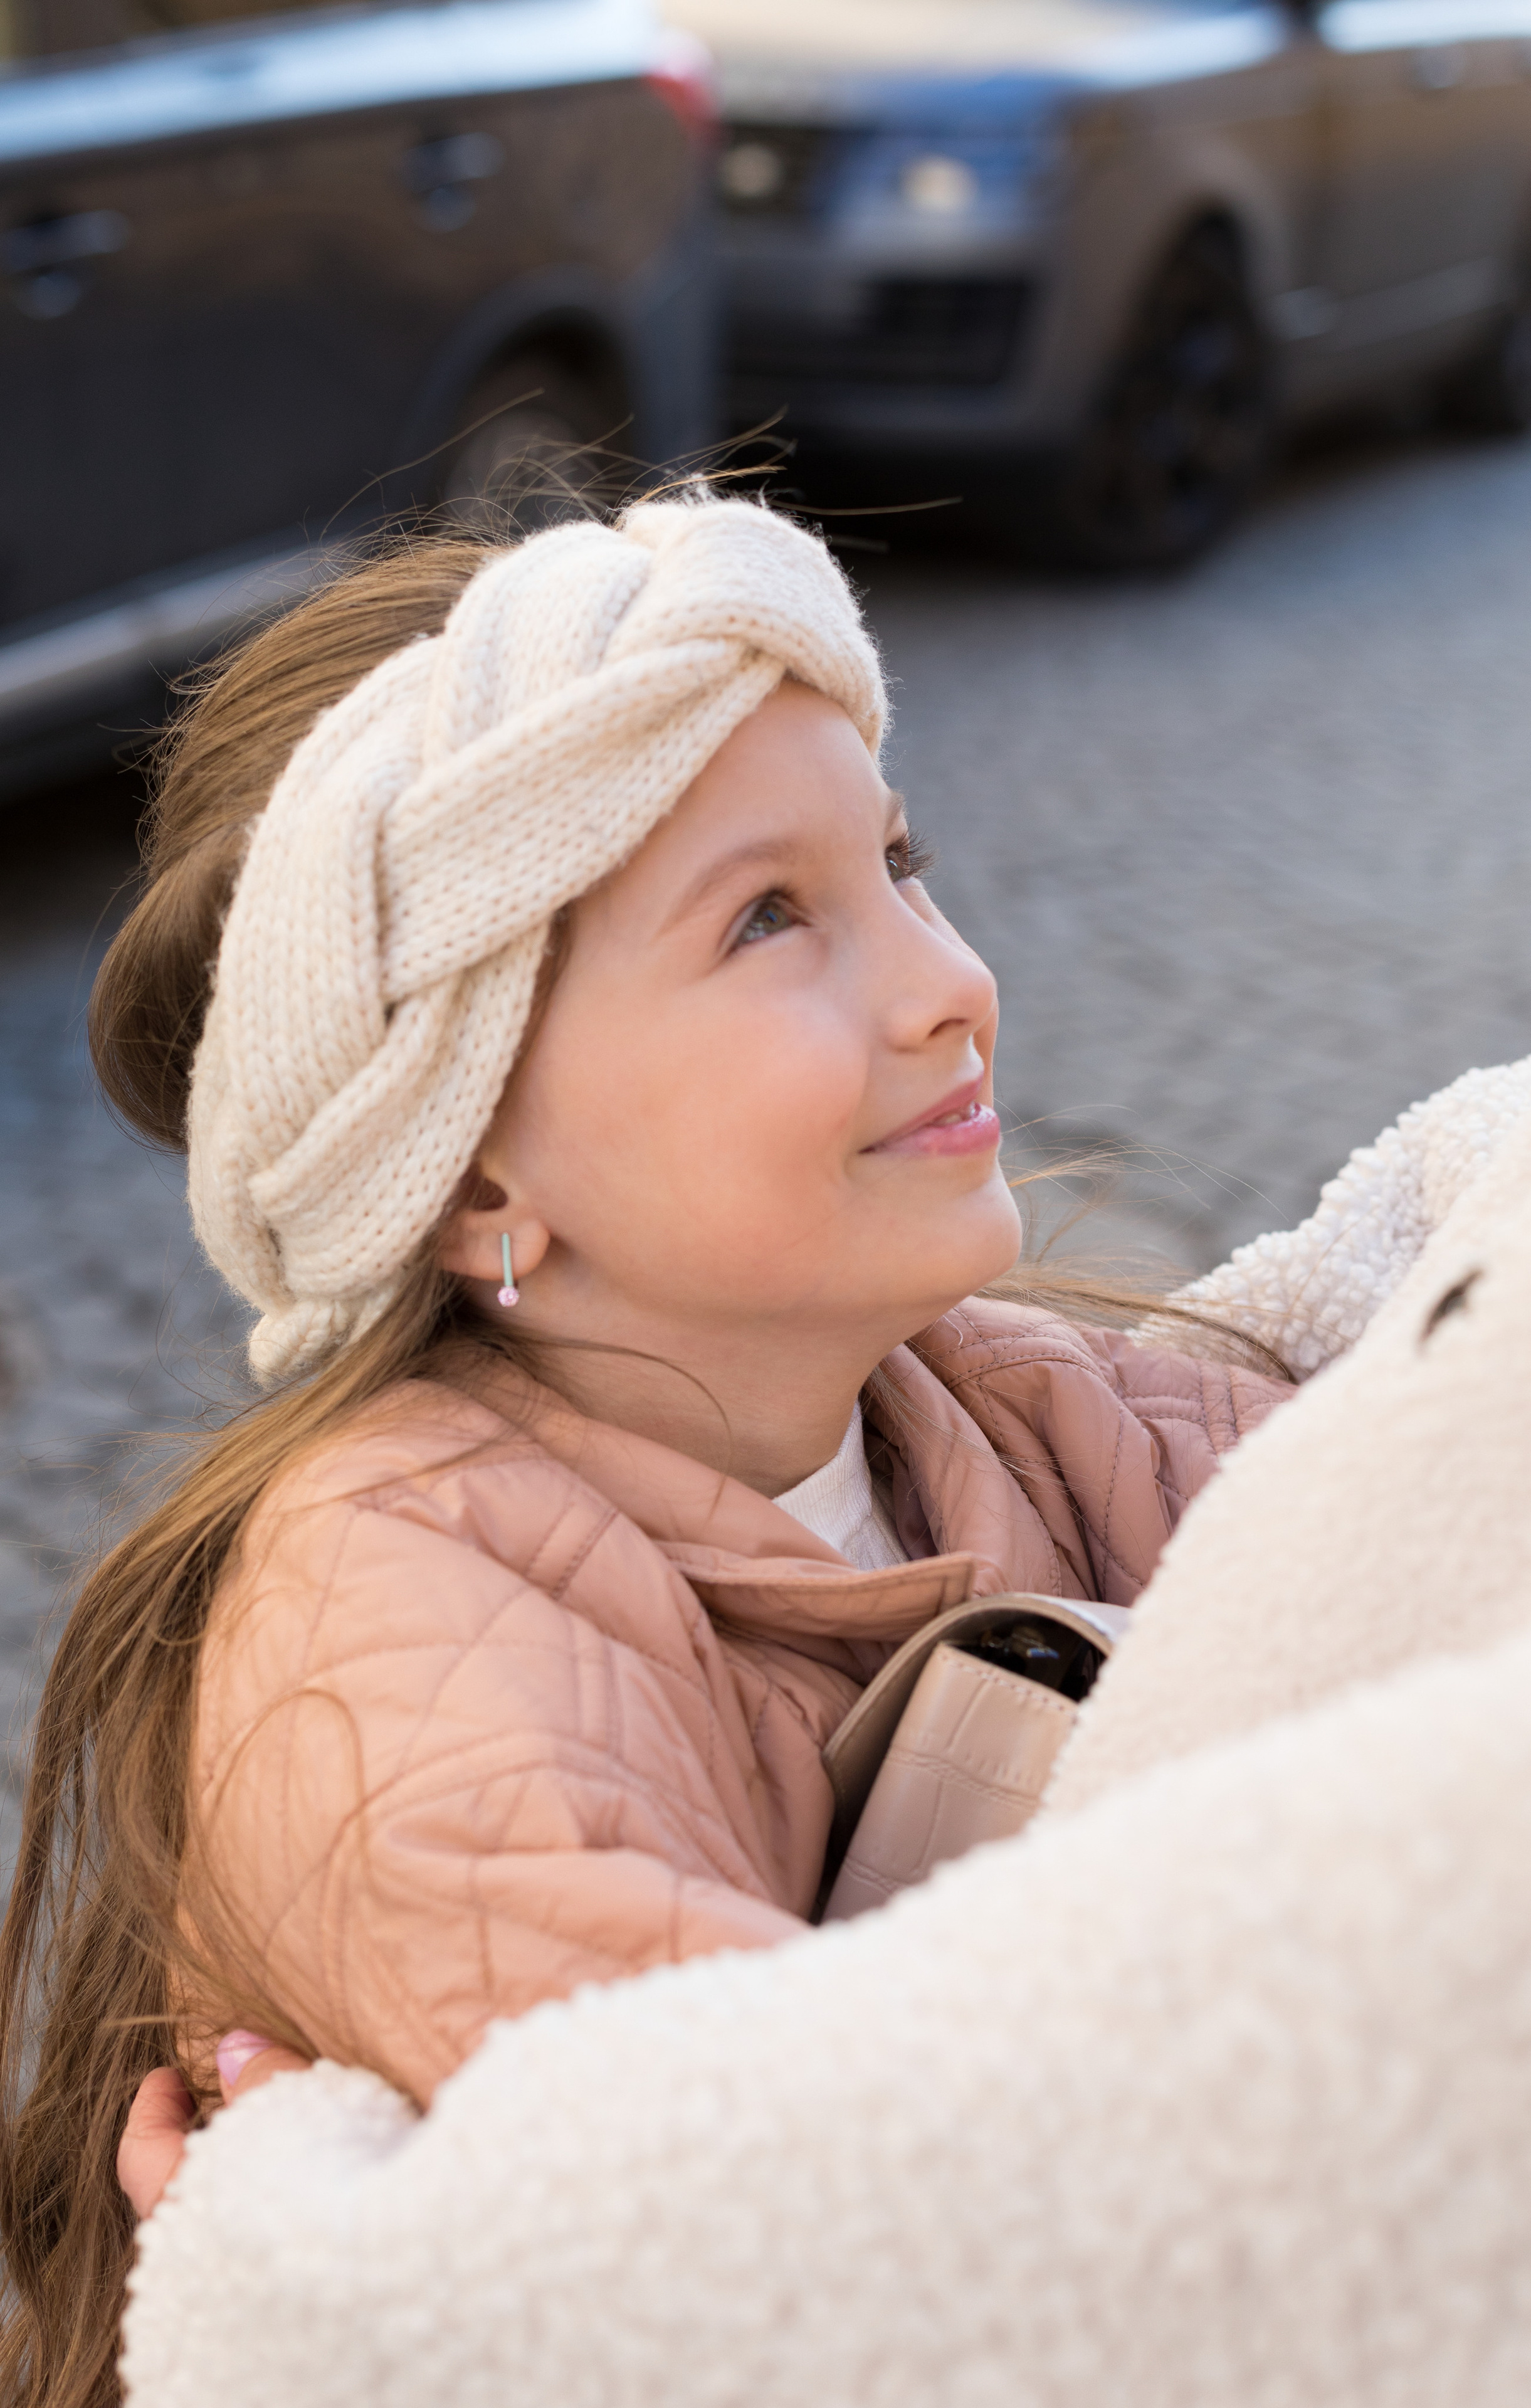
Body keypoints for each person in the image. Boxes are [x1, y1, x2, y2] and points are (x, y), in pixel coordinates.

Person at [0, 495, 1292, 2408]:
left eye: (901, 863)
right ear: (473, 1173)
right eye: (772, 916)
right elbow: (848, 2268)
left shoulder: (1037, 1404)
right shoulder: (406, 1640)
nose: (950, 981)